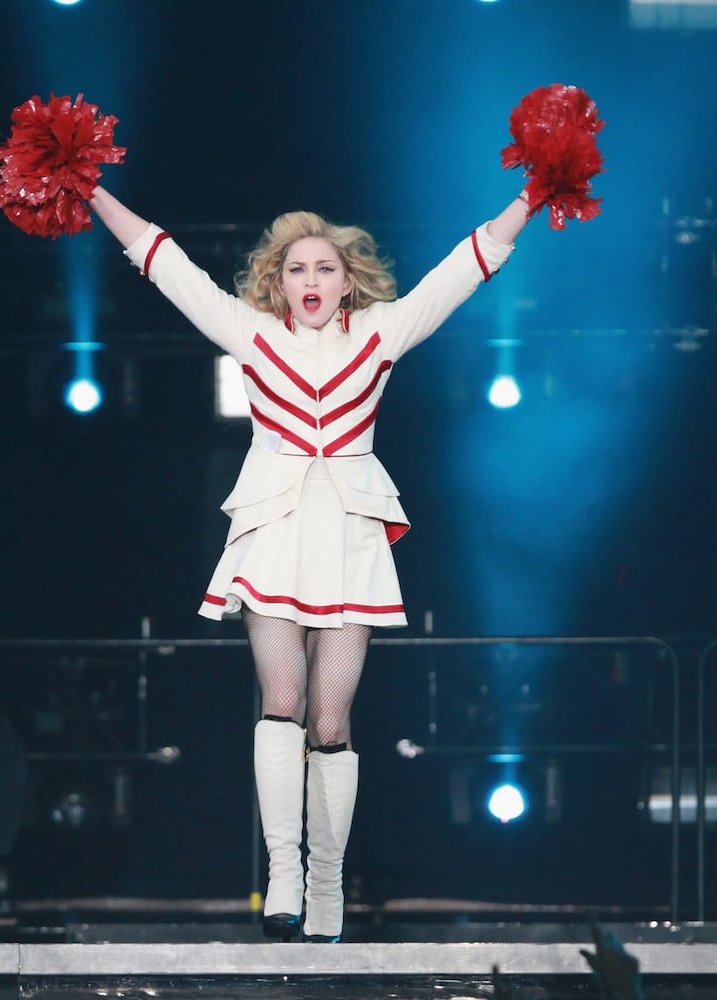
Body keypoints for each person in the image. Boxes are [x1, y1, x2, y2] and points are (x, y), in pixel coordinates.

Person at [89, 182, 532, 941]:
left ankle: (328, 883)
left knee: (332, 722)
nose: (312, 282)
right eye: (297, 270)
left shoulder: (382, 334)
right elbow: (164, 263)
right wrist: (88, 183)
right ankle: (284, 872)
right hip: (275, 529)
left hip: (350, 537)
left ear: (347, 279)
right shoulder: (251, 334)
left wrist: (533, 193)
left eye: (325, 269)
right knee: (281, 701)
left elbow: (467, 265)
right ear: (278, 281)